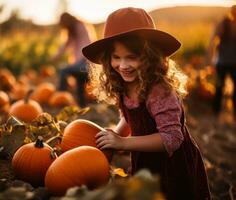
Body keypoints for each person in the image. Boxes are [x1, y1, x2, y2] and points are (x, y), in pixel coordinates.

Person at [82, 7, 211, 200]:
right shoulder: (124, 84)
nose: (123, 66)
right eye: (116, 57)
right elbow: (128, 116)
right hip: (145, 161)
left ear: (150, 56)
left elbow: (171, 138)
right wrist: (116, 134)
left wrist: (124, 142)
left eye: (131, 57)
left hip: (172, 167)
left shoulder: (159, 92)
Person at [53, 12, 93, 107]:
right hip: (82, 63)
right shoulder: (73, 30)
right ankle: (82, 106)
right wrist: (57, 55)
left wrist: (77, 61)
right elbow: (66, 44)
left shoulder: (79, 26)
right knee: (80, 82)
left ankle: (61, 95)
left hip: (85, 62)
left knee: (64, 70)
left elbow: (85, 45)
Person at [207, 5, 236, 121]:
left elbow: (214, 41)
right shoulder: (224, 24)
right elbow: (214, 42)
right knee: (222, 87)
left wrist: (212, 60)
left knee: (220, 87)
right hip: (230, 62)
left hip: (223, 62)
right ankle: (226, 115)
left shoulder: (223, 24)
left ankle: (216, 113)